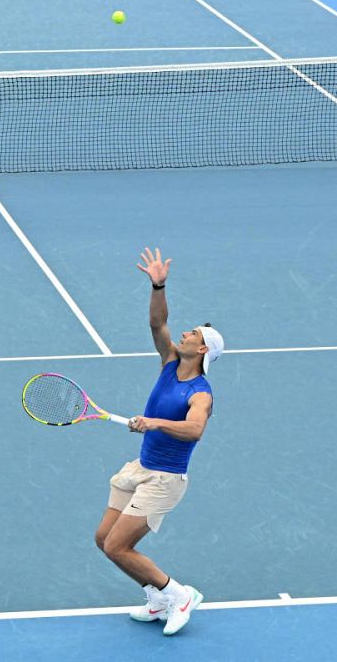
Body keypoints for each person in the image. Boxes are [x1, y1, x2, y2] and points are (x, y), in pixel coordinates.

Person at [93, 247, 220, 636]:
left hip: (165, 480)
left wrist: (154, 422)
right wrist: (158, 284)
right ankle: (157, 596)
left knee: (118, 547)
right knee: (104, 539)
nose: (183, 332)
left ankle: (178, 595)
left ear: (202, 349)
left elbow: (195, 431)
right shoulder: (168, 363)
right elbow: (157, 323)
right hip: (141, 469)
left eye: (192, 333)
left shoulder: (201, 394)